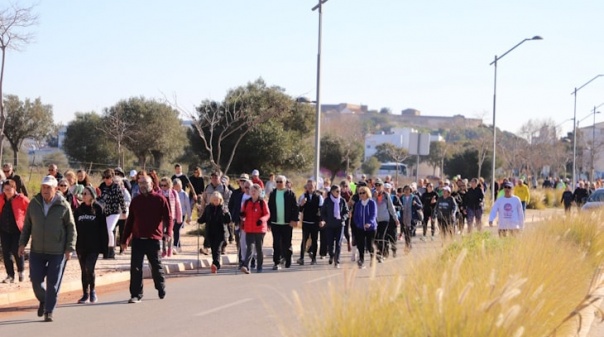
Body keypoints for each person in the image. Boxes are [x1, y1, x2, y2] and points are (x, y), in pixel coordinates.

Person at [18, 175, 76, 322]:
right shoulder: (34, 203)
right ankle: (44, 299)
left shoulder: (63, 205)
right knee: (35, 280)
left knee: (53, 282)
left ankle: (49, 310)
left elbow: (71, 228)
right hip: (37, 250)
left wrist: (69, 248)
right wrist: (22, 243)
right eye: (43, 187)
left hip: (57, 251)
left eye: (48, 187)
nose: (45, 190)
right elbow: (27, 226)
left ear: (55, 189)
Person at [120, 176, 172, 303]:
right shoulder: (136, 201)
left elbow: (168, 217)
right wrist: (124, 240)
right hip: (138, 239)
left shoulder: (160, 199)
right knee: (135, 268)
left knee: (156, 266)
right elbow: (130, 221)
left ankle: (160, 287)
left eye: (145, 183)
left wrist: (168, 232)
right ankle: (136, 294)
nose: (143, 185)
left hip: (153, 239)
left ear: (152, 184)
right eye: (140, 183)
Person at [74, 186, 108, 304]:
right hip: (81, 245)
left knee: (90, 267)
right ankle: (85, 294)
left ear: (92, 195)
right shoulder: (79, 210)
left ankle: (92, 291)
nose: (83, 196)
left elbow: (104, 229)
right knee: (84, 269)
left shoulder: (98, 208)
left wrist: (105, 247)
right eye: (82, 194)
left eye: (86, 194)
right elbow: (74, 228)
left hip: (94, 245)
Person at [0, 179, 30, 283]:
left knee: (17, 250)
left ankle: (21, 271)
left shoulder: (21, 198)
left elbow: (31, 209)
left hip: (18, 230)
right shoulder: (1, 198)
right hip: (4, 230)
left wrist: (27, 223)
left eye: (9, 189)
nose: (7, 191)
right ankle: (10, 275)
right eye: (5, 189)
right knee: (6, 252)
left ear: (14, 188)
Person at [267, 175, 299, 270]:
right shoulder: (273, 194)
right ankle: (276, 262)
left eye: (281, 182)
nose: (279, 184)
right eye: (277, 182)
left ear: (285, 183)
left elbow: (296, 208)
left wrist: (294, 219)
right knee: (276, 243)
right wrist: (268, 222)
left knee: (287, 243)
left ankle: (287, 259)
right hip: (275, 223)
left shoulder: (290, 194)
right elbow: (269, 208)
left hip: (287, 223)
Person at [198, 192, 231, 273]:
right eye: (214, 200)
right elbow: (204, 218)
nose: (216, 201)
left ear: (220, 200)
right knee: (213, 249)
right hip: (210, 232)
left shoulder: (223, 208)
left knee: (217, 248)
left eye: (218, 200)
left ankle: (215, 264)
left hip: (220, 232)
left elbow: (228, 220)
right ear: (212, 200)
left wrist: (226, 213)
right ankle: (216, 264)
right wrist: (199, 220)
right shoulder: (208, 208)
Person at [240, 184, 270, 274]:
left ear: (259, 192)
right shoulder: (246, 202)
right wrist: (242, 215)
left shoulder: (262, 202)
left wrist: (262, 220)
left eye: (255, 191)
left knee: (259, 248)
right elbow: (242, 212)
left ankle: (259, 266)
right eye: (252, 190)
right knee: (250, 247)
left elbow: (267, 214)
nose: (253, 192)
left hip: (260, 229)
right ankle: (246, 266)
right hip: (249, 229)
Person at [98, 169, 126, 259]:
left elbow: (121, 199)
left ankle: (111, 250)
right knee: (104, 231)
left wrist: (124, 211)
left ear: (112, 177)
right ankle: (106, 251)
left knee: (110, 229)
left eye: (108, 177)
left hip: (114, 212)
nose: (106, 179)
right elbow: (98, 197)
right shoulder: (102, 186)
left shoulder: (116, 187)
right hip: (105, 212)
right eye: (104, 177)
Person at [320, 185, 349, 268]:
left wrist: (343, 218)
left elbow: (346, 212)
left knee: (339, 243)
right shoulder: (327, 200)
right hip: (330, 225)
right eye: (337, 191)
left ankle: (337, 261)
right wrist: (326, 220)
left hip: (340, 225)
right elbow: (323, 212)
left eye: (340, 191)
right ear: (332, 192)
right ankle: (331, 255)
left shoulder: (342, 200)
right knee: (330, 243)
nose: (339, 193)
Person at [297, 179, 323, 266]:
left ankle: (314, 258)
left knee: (314, 240)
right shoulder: (303, 196)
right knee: (304, 240)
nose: (310, 187)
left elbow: (321, 210)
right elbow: (299, 209)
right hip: (306, 222)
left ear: (315, 187)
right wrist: (301, 204)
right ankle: (301, 258)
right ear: (306, 187)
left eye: (312, 185)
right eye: (308, 185)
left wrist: (321, 220)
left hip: (315, 222)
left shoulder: (319, 197)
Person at [372, 179, 399, 261]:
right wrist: (374, 197)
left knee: (381, 236)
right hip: (375, 220)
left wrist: (395, 218)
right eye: (376, 185)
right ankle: (378, 252)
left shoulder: (386, 195)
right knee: (376, 238)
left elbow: (391, 208)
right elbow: (371, 206)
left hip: (385, 219)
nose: (378, 187)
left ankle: (381, 254)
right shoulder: (372, 195)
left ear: (382, 186)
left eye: (379, 185)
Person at [352, 186, 377, 269]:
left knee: (370, 245)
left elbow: (373, 214)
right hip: (360, 228)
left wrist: (369, 223)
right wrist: (358, 224)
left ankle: (372, 258)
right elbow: (355, 216)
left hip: (371, 228)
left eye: (363, 193)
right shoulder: (358, 204)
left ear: (367, 193)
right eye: (360, 193)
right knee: (360, 245)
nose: (362, 195)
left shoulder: (371, 202)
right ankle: (361, 260)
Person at [229, 175, 250, 263]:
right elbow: (231, 206)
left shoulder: (252, 193)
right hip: (238, 221)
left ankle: (249, 259)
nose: (242, 182)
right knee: (239, 240)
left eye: (244, 181)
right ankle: (241, 258)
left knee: (248, 241)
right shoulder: (235, 193)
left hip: (249, 222)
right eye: (241, 181)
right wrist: (233, 218)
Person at [159, 177, 182, 258]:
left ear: (169, 185)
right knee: (162, 233)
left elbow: (178, 206)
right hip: (161, 217)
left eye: (165, 185)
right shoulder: (159, 193)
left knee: (170, 233)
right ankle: (164, 250)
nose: (163, 187)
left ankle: (170, 249)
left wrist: (179, 218)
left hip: (171, 216)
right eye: (161, 185)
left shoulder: (173, 193)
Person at [398, 185, 422, 253]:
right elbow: (399, 206)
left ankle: (408, 246)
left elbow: (420, 206)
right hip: (404, 218)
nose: (406, 191)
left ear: (410, 190)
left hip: (412, 218)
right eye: (405, 189)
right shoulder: (402, 198)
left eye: (408, 189)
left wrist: (416, 204)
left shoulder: (414, 197)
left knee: (410, 233)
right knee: (406, 234)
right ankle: (408, 245)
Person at [173, 178, 191, 254]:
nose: (177, 187)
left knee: (176, 230)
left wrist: (189, 217)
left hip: (182, 215)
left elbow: (188, 206)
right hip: (174, 215)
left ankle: (174, 247)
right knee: (175, 230)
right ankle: (179, 247)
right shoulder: (172, 193)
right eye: (176, 186)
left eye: (179, 186)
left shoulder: (184, 194)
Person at [116, 177, 132, 255]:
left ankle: (122, 249)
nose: (116, 184)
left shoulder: (124, 191)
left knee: (122, 232)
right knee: (113, 231)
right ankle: (111, 248)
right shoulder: (112, 191)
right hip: (114, 214)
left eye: (117, 182)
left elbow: (129, 201)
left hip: (123, 214)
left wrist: (121, 204)